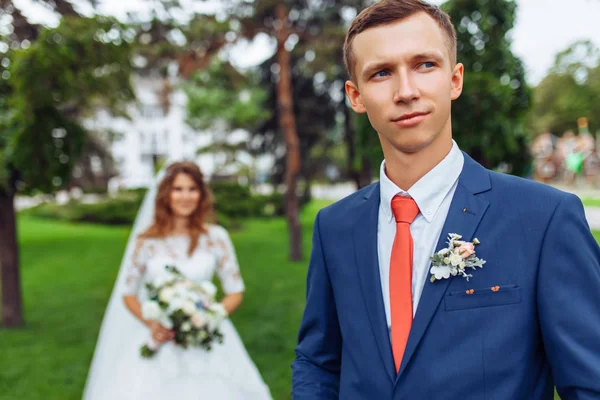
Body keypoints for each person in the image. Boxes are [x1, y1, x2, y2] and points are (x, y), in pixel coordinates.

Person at [291, 1, 600, 399]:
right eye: (382, 72)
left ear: (455, 80)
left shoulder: (544, 218)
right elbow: (319, 361)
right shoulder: (335, 226)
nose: (406, 91)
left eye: (424, 65)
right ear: (356, 95)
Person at [84, 161, 272, 399]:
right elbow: (128, 293)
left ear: (201, 194)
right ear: (166, 194)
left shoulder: (216, 237)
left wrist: (208, 318)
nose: (186, 196)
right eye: (178, 189)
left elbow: (235, 291)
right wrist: (153, 324)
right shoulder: (146, 241)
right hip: (161, 339)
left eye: (192, 189)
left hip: (208, 339)